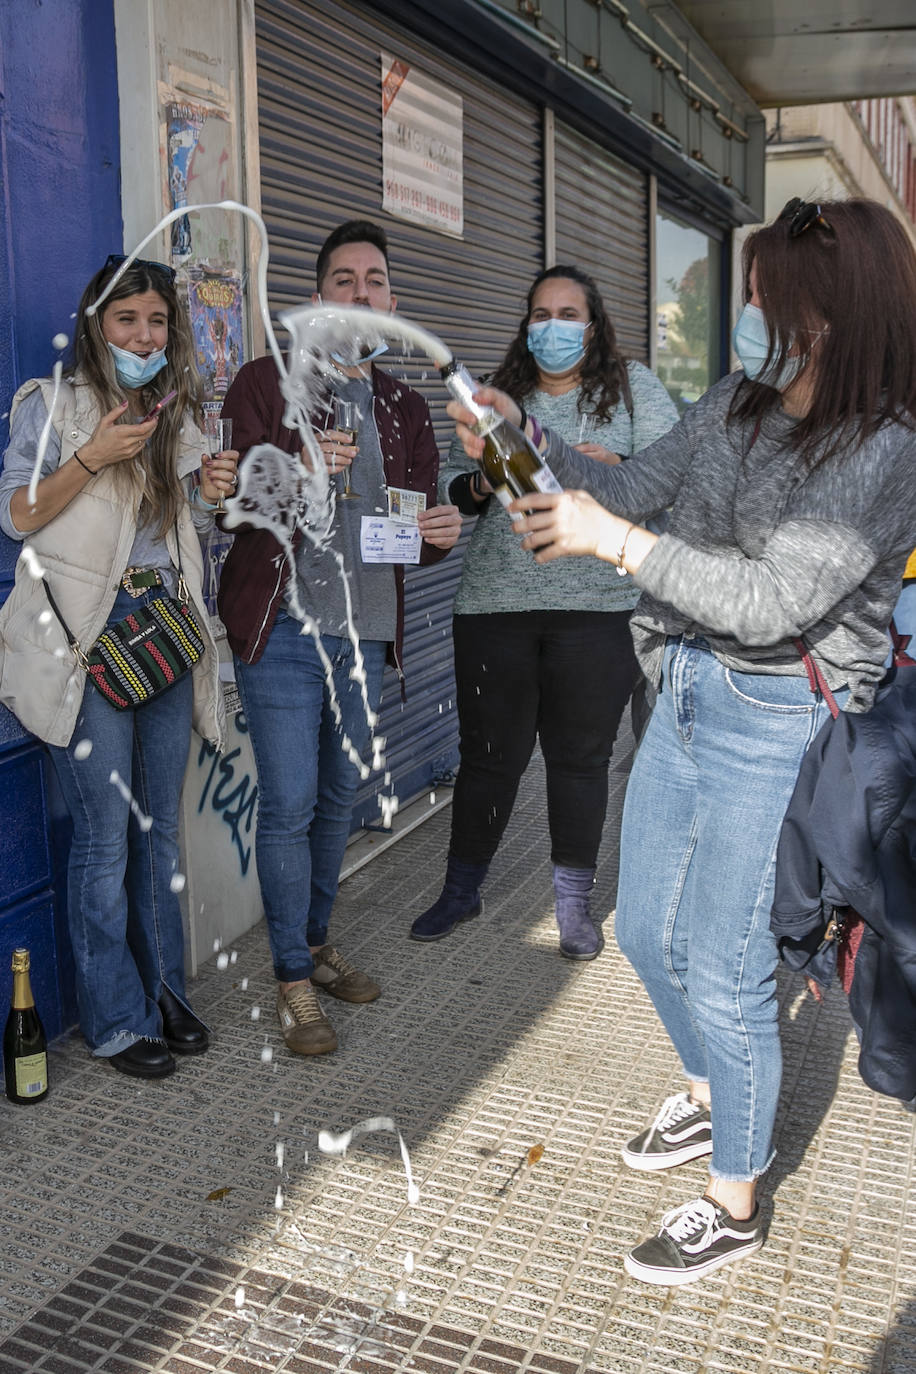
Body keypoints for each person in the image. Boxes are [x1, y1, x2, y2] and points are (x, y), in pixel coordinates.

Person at [446, 199, 916, 1284]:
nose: (747, 316)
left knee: (728, 964)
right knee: (651, 937)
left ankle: (736, 1198)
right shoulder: (731, 404)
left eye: (765, 298)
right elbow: (620, 490)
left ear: (833, 311)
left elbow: (766, 598)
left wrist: (612, 544)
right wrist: (524, 444)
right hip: (686, 686)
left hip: (778, 714)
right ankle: (715, 1097)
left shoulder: (885, 448)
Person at [217, 219, 462, 1058]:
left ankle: (315, 944)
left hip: (365, 630)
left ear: (393, 302)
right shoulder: (261, 383)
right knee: (286, 803)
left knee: (336, 800)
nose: (362, 295)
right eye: (345, 281)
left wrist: (439, 530)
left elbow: (414, 527)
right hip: (283, 628)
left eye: (376, 281)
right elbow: (229, 508)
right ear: (318, 297)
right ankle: (290, 979)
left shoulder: (402, 406)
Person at [0, 255, 235, 1079]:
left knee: (159, 830)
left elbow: (196, 531)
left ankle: (163, 989)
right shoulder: (51, 407)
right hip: (88, 645)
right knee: (103, 843)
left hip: (164, 632)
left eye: (158, 322)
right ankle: (114, 1019)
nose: (143, 335)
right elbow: (18, 512)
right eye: (127, 319)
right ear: (98, 324)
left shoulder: (177, 414)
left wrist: (213, 493)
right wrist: (93, 455)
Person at [410, 265, 677, 958]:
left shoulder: (634, 389)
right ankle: (461, 890)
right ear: (526, 325)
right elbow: (450, 490)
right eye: (540, 314)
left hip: (600, 608)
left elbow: (668, 481)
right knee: (489, 758)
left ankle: (572, 906)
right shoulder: (502, 397)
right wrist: (483, 477)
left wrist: (609, 463)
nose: (551, 327)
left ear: (593, 326)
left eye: (567, 314)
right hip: (496, 604)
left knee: (579, 760)